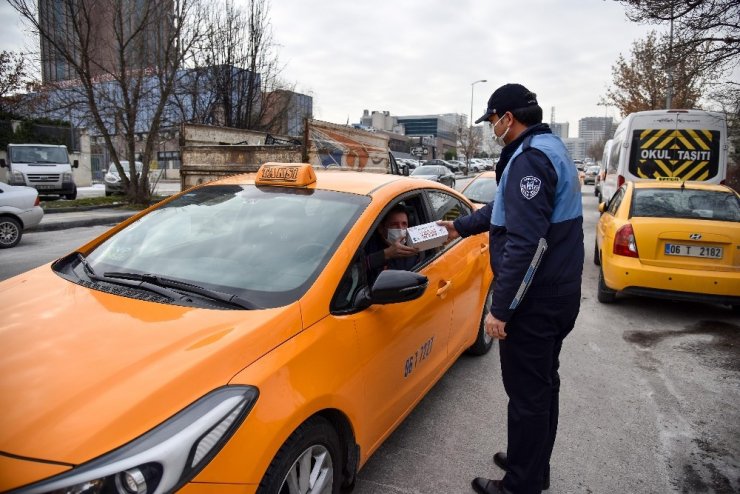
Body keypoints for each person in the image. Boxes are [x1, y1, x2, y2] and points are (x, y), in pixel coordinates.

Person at [438, 83, 584, 494]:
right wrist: (457, 226)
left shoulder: (529, 161)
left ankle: (521, 485)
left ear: (508, 117)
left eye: (492, 121)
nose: (491, 129)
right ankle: (533, 465)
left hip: (537, 300)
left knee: (527, 397)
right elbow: (503, 210)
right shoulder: (550, 149)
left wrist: (500, 310)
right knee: (543, 387)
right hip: (560, 291)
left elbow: (525, 242)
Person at [364, 205, 420, 283]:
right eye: (394, 224)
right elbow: (354, 269)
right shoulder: (366, 245)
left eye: (404, 224)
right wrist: (386, 254)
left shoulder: (413, 247)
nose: (400, 229)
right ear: (381, 228)